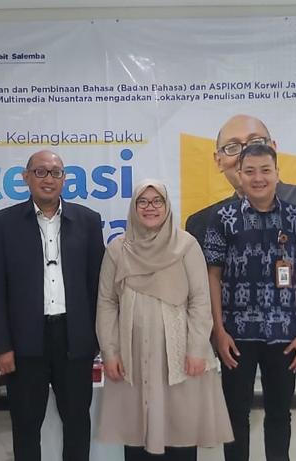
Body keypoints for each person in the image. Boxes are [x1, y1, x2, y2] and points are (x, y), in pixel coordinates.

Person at [96, 179, 234, 460]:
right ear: (134, 207)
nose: (150, 207)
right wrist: (110, 352)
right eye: (143, 202)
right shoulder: (118, 250)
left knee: (181, 431)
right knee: (138, 435)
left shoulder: (186, 246)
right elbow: (107, 302)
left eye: (157, 201)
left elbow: (200, 301)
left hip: (180, 356)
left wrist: (197, 349)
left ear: (167, 206)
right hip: (133, 356)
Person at [0, 150, 106, 461]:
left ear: (64, 179)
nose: (48, 178)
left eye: (55, 172)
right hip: (24, 343)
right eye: (40, 172)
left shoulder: (88, 221)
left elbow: (98, 286)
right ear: (26, 178)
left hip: (74, 340)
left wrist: (96, 340)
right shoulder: (4, 223)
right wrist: (1, 346)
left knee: (77, 423)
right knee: (26, 426)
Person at [203, 144, 296, 461]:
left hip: (286, 334)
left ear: (277, 173)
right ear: (239, 175)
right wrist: (218, 331)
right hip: (236, 335)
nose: (258, 178)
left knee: (280, 415)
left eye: (265, 170)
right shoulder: (223, 218)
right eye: (250, 171)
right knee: (235, 415)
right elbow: (212, 276)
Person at [185, 114, 296, 251]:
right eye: (232, 147)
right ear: (218, 161)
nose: (246, 155)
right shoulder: (202, 225)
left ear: (273, 150)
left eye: (256, 142)